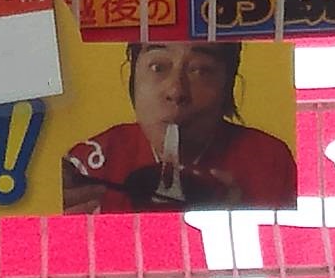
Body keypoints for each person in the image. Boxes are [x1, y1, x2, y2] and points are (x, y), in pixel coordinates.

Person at [61, 39, 298, 212]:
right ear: (131, 76)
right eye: (158, 67)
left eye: (201, 70)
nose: (176, 91)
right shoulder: (88, 166)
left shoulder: (268, 160)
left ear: (228, 84)